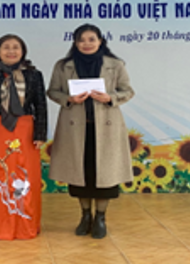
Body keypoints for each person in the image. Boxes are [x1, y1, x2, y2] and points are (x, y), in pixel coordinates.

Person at [47, 24, 135, 239]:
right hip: (75, 129)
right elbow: (52, 91)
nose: (86, 44)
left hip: (106, 128)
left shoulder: (115, 65)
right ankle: (85, 215)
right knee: (80, 174)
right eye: (81, 40)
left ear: (100, 41)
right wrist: (68, 99)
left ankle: (101, 218)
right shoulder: (63, 66)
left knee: (105, 175)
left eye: (91, 39)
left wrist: (110, 97)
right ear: (75, 42)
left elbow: (128, 91)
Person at [0, 34, 47, 240]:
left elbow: (40, 105)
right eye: (6, 47)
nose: (11, 51)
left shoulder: (34, 75)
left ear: (23, 51)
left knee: (25, 175)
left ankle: (25, 224)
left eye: (16, 47)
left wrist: (40, 133)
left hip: (25, 129)